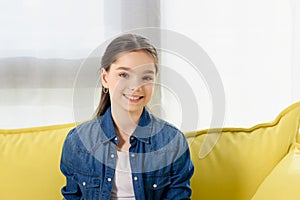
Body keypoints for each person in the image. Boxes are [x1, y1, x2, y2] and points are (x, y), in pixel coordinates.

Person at [60, 33, 194, 200]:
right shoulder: (77, 142)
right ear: (105, 78)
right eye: (124, 75)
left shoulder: (173, 142)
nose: (135, 86)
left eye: (146, 77)